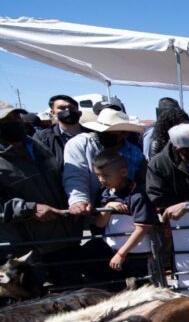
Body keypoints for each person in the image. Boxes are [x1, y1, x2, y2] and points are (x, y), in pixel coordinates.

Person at [0, 118, 80, 262]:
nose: (15, 122)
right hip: (24, 250)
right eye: (5, 121)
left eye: (16, 116)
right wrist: (29, 209)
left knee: (73, 282)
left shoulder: (37, 145)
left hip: (63, 238)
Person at [64, 109, 146, 216]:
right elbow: (75, 175)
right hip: (96, 210)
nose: (103, 134)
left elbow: (141, 180)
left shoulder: (135, 152)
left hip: (127, 211)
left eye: (109, 132)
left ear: (124, 134)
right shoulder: (80, 144)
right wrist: (79, 199)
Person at [92, 151, 156, 278]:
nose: (101, 180)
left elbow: (142, 228)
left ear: (123, 172)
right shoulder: (104, 192)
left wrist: (122, 253)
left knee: (140, 288)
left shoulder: (137, 195)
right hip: (113, 251)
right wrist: (108, 207)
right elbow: (99, 223)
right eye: (98, 175)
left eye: (106, 175)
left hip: (137, 254)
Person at [34, 94, 85, 166]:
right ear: (53, 113)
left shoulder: (94, 135)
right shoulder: (42, 138)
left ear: (79, 113)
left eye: (72, 108)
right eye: (62, 108)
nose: (68, 110)